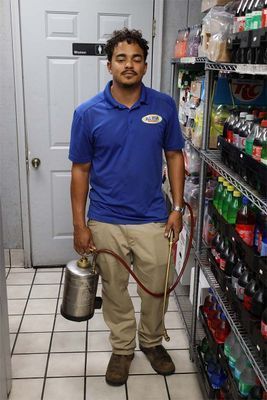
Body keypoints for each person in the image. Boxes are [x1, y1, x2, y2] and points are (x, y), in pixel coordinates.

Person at [69, 28, 185, 386]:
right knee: (114, 289)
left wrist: (178, 207)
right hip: (105, 220)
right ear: (109, 66)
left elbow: (175, 156)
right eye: (121, 58)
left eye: (136, 58)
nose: (129, 65)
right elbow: (80, 170)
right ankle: (122, 348)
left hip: (153, 217)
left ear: (145, 65)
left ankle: (151, 342)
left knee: (156, 288)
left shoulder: (163, 105)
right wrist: (79, 225)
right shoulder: (87, 113)